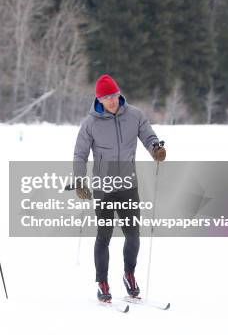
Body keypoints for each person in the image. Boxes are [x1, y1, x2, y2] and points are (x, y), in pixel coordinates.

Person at [73, 74, 166, 302]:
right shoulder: (90, 123)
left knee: (133, 236)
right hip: (103, 188)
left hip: (128, 185)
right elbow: (80, 154)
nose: (112, 101)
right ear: (99, 100)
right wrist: (79, 180)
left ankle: (129, 275)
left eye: (114, 95)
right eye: (107, 97)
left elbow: (147, 135)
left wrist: (155, 148)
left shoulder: (134, 115)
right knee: (103, 236)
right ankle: (102, 282)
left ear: (119, 94)